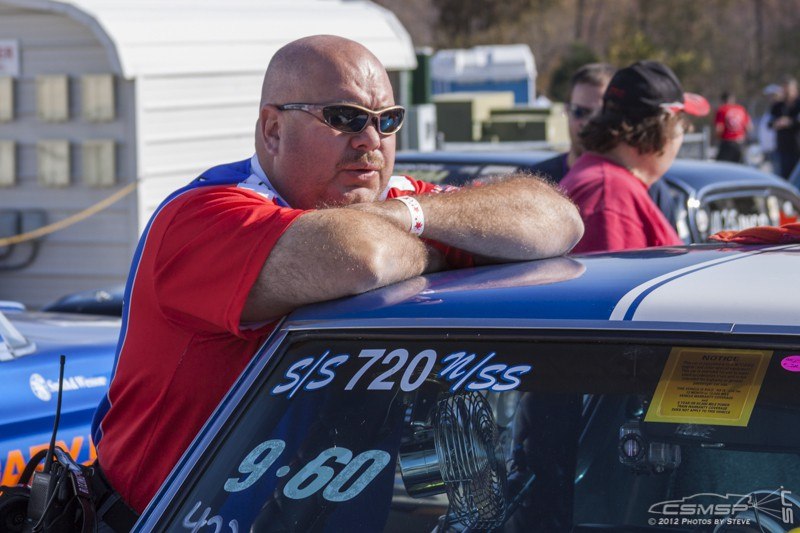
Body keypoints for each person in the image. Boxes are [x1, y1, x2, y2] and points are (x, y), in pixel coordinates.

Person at [87, 34, 583, 527]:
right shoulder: (201, 216)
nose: (370, 140)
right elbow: (361, 259)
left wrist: (405, 215)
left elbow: (558, 219)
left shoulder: (394, 205)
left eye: (388, 121)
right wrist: (433, 249)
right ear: (273, 129)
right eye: (345, 118)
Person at [560, 60, 709, 254]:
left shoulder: (605, 181)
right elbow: (614, 274)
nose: (682, 135)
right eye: (681, 125)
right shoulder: (609, 195)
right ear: (664, 127)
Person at [531, 63, 679, 227]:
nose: (590, 121)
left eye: (602, 112)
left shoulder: (653, 191)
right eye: (580, 112)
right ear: (566, 110)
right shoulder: (534, 181)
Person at [769, 75, 800, 179]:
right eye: (784, 89)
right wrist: (777, 123)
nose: (786, 93)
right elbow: (769, 123)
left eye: (789, 90)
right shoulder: (778, 106)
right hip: (783, 148)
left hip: (797, 147)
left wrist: (789, 122)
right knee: (784, 176)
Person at [714, 91, 751, 163]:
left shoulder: (722, 110)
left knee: (721, 166)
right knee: (739, 166)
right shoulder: (741, 109)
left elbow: (719, 128)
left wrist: (717, 139)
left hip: (727, 143)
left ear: (722, 100)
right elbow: (749, 127)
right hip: (740, 143)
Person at [758, 84, 782, 173]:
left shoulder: (781, 109)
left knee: (778, 172)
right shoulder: (771, 109)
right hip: (767, 148)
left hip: (775, 148)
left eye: (773, 95)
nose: (770, 98)